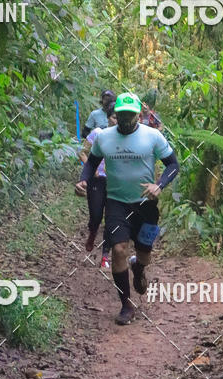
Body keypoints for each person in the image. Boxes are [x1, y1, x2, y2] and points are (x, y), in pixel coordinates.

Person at [76, 92, 179, 325]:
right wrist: (84, 180)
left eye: (130, 114)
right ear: (115, 114)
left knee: (144, 253)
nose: (125, 119)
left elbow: (173, 164)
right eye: (121, 114)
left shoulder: (152, 136)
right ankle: (126, 305)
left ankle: (139, 268)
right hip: (116, 202)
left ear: (139, 115)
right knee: (119, 249)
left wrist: (159, 185)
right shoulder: (104, 137)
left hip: (146, 205)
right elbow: (92, 161)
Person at [77, 106, 117, 269]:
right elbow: (82, 152)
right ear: (108, 118)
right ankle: (93, 232)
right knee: (96, 215)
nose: (116, 120)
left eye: (119, 117)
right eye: (114, 117)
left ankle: (105, 256)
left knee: (110, 219)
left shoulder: (124, 138)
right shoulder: (98, 134)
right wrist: (91, 169)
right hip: (97, 180)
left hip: (115, 183)